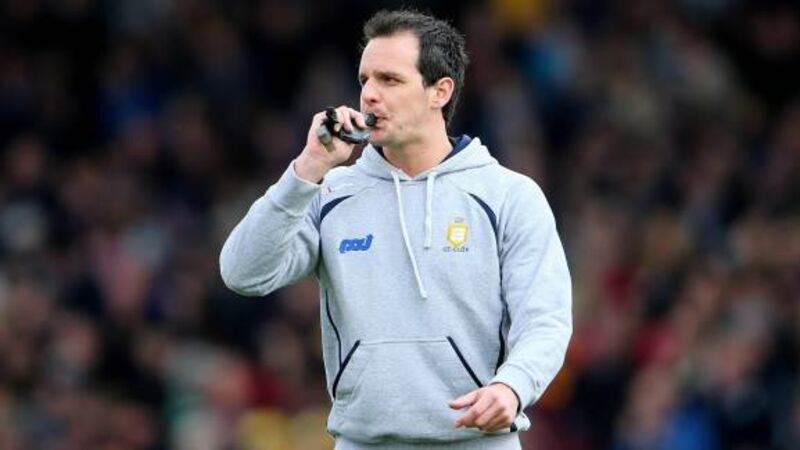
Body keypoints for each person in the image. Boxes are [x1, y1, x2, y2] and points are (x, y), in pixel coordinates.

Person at [220, 9, 572, 450]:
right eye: (365, 79)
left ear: (440, 91)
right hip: (363, 442)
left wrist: (512, 386)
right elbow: (243, 273)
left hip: (479, 442)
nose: (369, 95)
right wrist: (307, 168)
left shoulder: (508, 195)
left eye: (389, 80)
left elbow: (545, 320)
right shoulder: (330, 193)